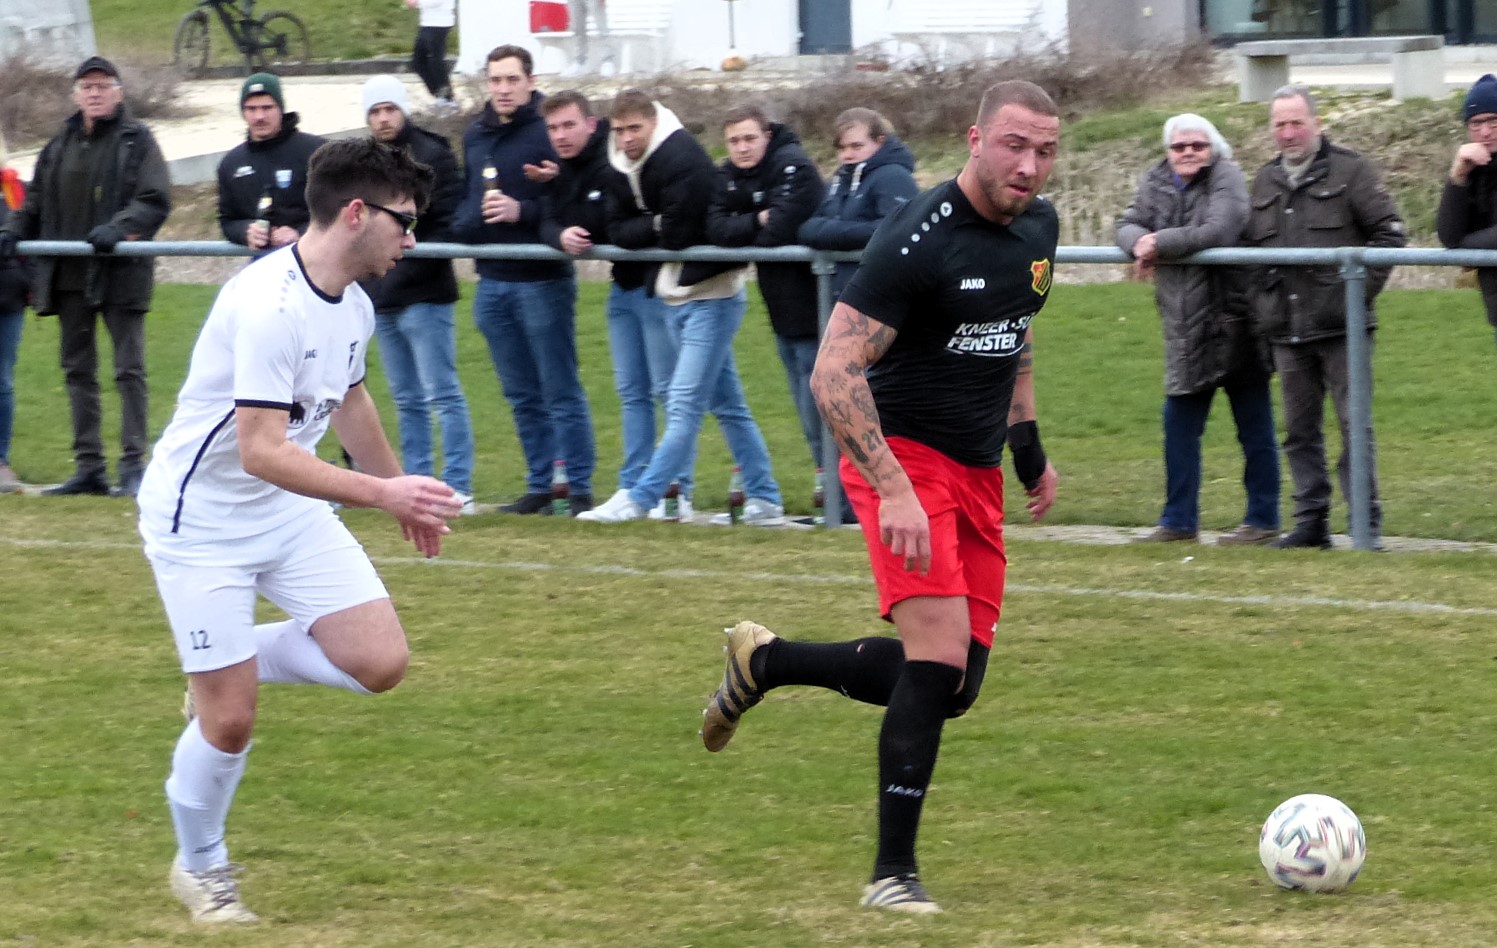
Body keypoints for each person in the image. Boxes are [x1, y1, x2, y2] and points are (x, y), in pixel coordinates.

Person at [697, 79, 1061, 914]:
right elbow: (833, 372)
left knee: (957, 685)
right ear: (975, 139)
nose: (1028, 165)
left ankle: (765, 662)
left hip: (973, 469)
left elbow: (1016, 332)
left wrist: (1027, 448)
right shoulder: (915, 239)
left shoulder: (1038, 228)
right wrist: (893, 487)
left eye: (1044, 150)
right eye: (1013, 145)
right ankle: (892, 876)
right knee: (934, 660)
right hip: (900, 459)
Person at [136, 138, 460, 924]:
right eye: (403, 220)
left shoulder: (353, 303)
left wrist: (400, 496)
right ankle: (201, 870)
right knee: (229, 719)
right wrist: (382, 493)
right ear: (355, 213)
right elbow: (261, 450)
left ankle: (220, 664)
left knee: (379, 662)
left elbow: (351, 402)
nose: (411, 238)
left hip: (286, 510)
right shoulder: (268, 304)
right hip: (201, 522)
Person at [577, 89, 783, 524]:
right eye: (619, 130)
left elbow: (676, 234)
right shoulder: (623, 163)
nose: (626, 138)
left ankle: (641, 497)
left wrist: (649, 226)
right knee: (727, 404)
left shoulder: (681, 157)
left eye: (635, 128)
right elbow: (617, 230)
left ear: (653, 123)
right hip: (676, 294)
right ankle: (765, 498)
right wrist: (654, 224)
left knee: (683, 403)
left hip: (712, 296)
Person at [1242, 84, 1405, 550]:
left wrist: (1352, 296)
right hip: (1287, 330)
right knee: (1299, 432)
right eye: (1280, 125)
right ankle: (1310, 523)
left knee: (1355, 427)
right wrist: (1264, 303)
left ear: (1317, 123)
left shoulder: (1352, 171)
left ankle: (1364, 525)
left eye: (1297, 123)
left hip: (1342, 330)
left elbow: (1390, 237)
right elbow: (1250, 254)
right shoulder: (1265, 180)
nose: (1288, 133)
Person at [0, 55, 171, 498]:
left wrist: (120, 228)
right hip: (70, 275)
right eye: (87, 87)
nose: (94, 93)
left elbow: (154, 198)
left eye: (102, 85)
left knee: (128, 370)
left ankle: (132, 465)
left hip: (121, 274)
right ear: (76, 95)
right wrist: (12, 230)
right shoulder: (59, 145)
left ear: (118, 91)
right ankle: (89, 466)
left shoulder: (137, 141)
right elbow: (34, 202)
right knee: (78, 371)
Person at [1116, 113, 1280, 546]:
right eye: (1179, 146)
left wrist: (1159, 243)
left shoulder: (1228, 176)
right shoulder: (1155, 180)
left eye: (1197, 145)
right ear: (1167, 151)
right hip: (1184, 328)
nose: (1188, 153)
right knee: (1179, 428)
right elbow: (1127, 222)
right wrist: (1138, 241)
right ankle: (1178, 522)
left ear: (1213, 148)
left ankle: (1263, 519)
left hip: (1235, 322)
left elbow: (1220, 229)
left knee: (1254, 427)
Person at [535, 90, 691, 519]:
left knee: (668, 392)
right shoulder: (560, 171)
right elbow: (548, 219)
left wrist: (577, 222)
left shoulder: (614, 161)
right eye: (553, 128)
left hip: (657, 287)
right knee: (631, 392)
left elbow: (609, 223)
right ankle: (632, 485)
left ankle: (677, 489)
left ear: (591, 124)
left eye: (569, 125)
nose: (561, 135)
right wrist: (559, 235)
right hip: (622, 289)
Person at [454, 45, 596, 516]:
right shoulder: (476, 134)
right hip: (491, 281)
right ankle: (540, 484)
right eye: (495, 80)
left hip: (542, 280)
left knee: (560, 389)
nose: (503, 89)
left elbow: (568, 203)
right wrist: (467, 222)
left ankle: (577, 488)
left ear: (530, 82)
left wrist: (523, 210)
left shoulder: (547, 130)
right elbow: (468, 201)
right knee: (520, 394)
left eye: (512, 79)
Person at [358, 75, 476, 512]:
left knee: (441, 392)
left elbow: (447, 222)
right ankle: (417, 482)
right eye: (375, 111)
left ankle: (458, 484)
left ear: (403, 110)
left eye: (389, 108)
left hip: (426, 293)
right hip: (381, 296)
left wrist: (404, 260)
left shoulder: (432, 153)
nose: (383, 119)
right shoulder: (362, 162)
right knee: (405, 399)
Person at [705, 105, 827, 485]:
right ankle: (831, 495)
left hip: (816, 308)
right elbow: (714, 229)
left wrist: (747, 226)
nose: (741, 148)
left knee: (822, 414)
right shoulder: (729, 174)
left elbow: (778, 230)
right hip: (781, 311)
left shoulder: (795, 166)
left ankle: (844, 501)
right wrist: (757, 218)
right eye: (733, 141)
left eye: (749, 138)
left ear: (767, 136)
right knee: (806, 414)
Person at [798, 107, 920, 298]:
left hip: (880, 295)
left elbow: (895, 231)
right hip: (843, 293)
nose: (847, 155)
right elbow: (808, 228)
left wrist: (830, 233)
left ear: (880, 141)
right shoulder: (839, 180)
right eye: (841, 148)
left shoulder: (894, 177)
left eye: (856, 146)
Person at [217, 73, 325, 252]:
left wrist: (300, 232)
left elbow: (342, 209)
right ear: (243, 112)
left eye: (267, 107)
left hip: (317, 257)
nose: (259, 116)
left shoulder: (318, 152)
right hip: (264, 261)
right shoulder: (231, 164)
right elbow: (227, 221)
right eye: (251, 109)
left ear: (281, 109)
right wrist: (246, 232)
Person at [1437, 73, 1497, 347]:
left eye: (1493, 121)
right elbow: (1449, 237)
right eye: (1476, 123)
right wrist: (1458, 176)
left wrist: (1467, 249)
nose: (1485, 132)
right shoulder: (1476, 171)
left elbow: (1459, 246)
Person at [404, 0, 456, 111]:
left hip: (440, 23)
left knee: (435, 61)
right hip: (427, 23)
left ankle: (447, 98)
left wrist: (417, 2)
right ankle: (440, 95)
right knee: (418, 61)